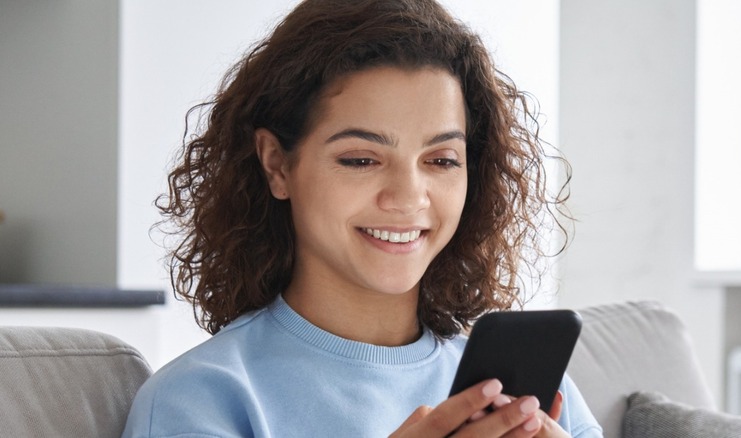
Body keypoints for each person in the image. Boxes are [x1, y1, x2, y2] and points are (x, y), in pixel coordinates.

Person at [122, 0, 603, 436]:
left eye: (441, 160)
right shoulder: (197, 401)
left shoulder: (530, 403)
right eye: (360, 159)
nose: (408, 197)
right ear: (277, 164)